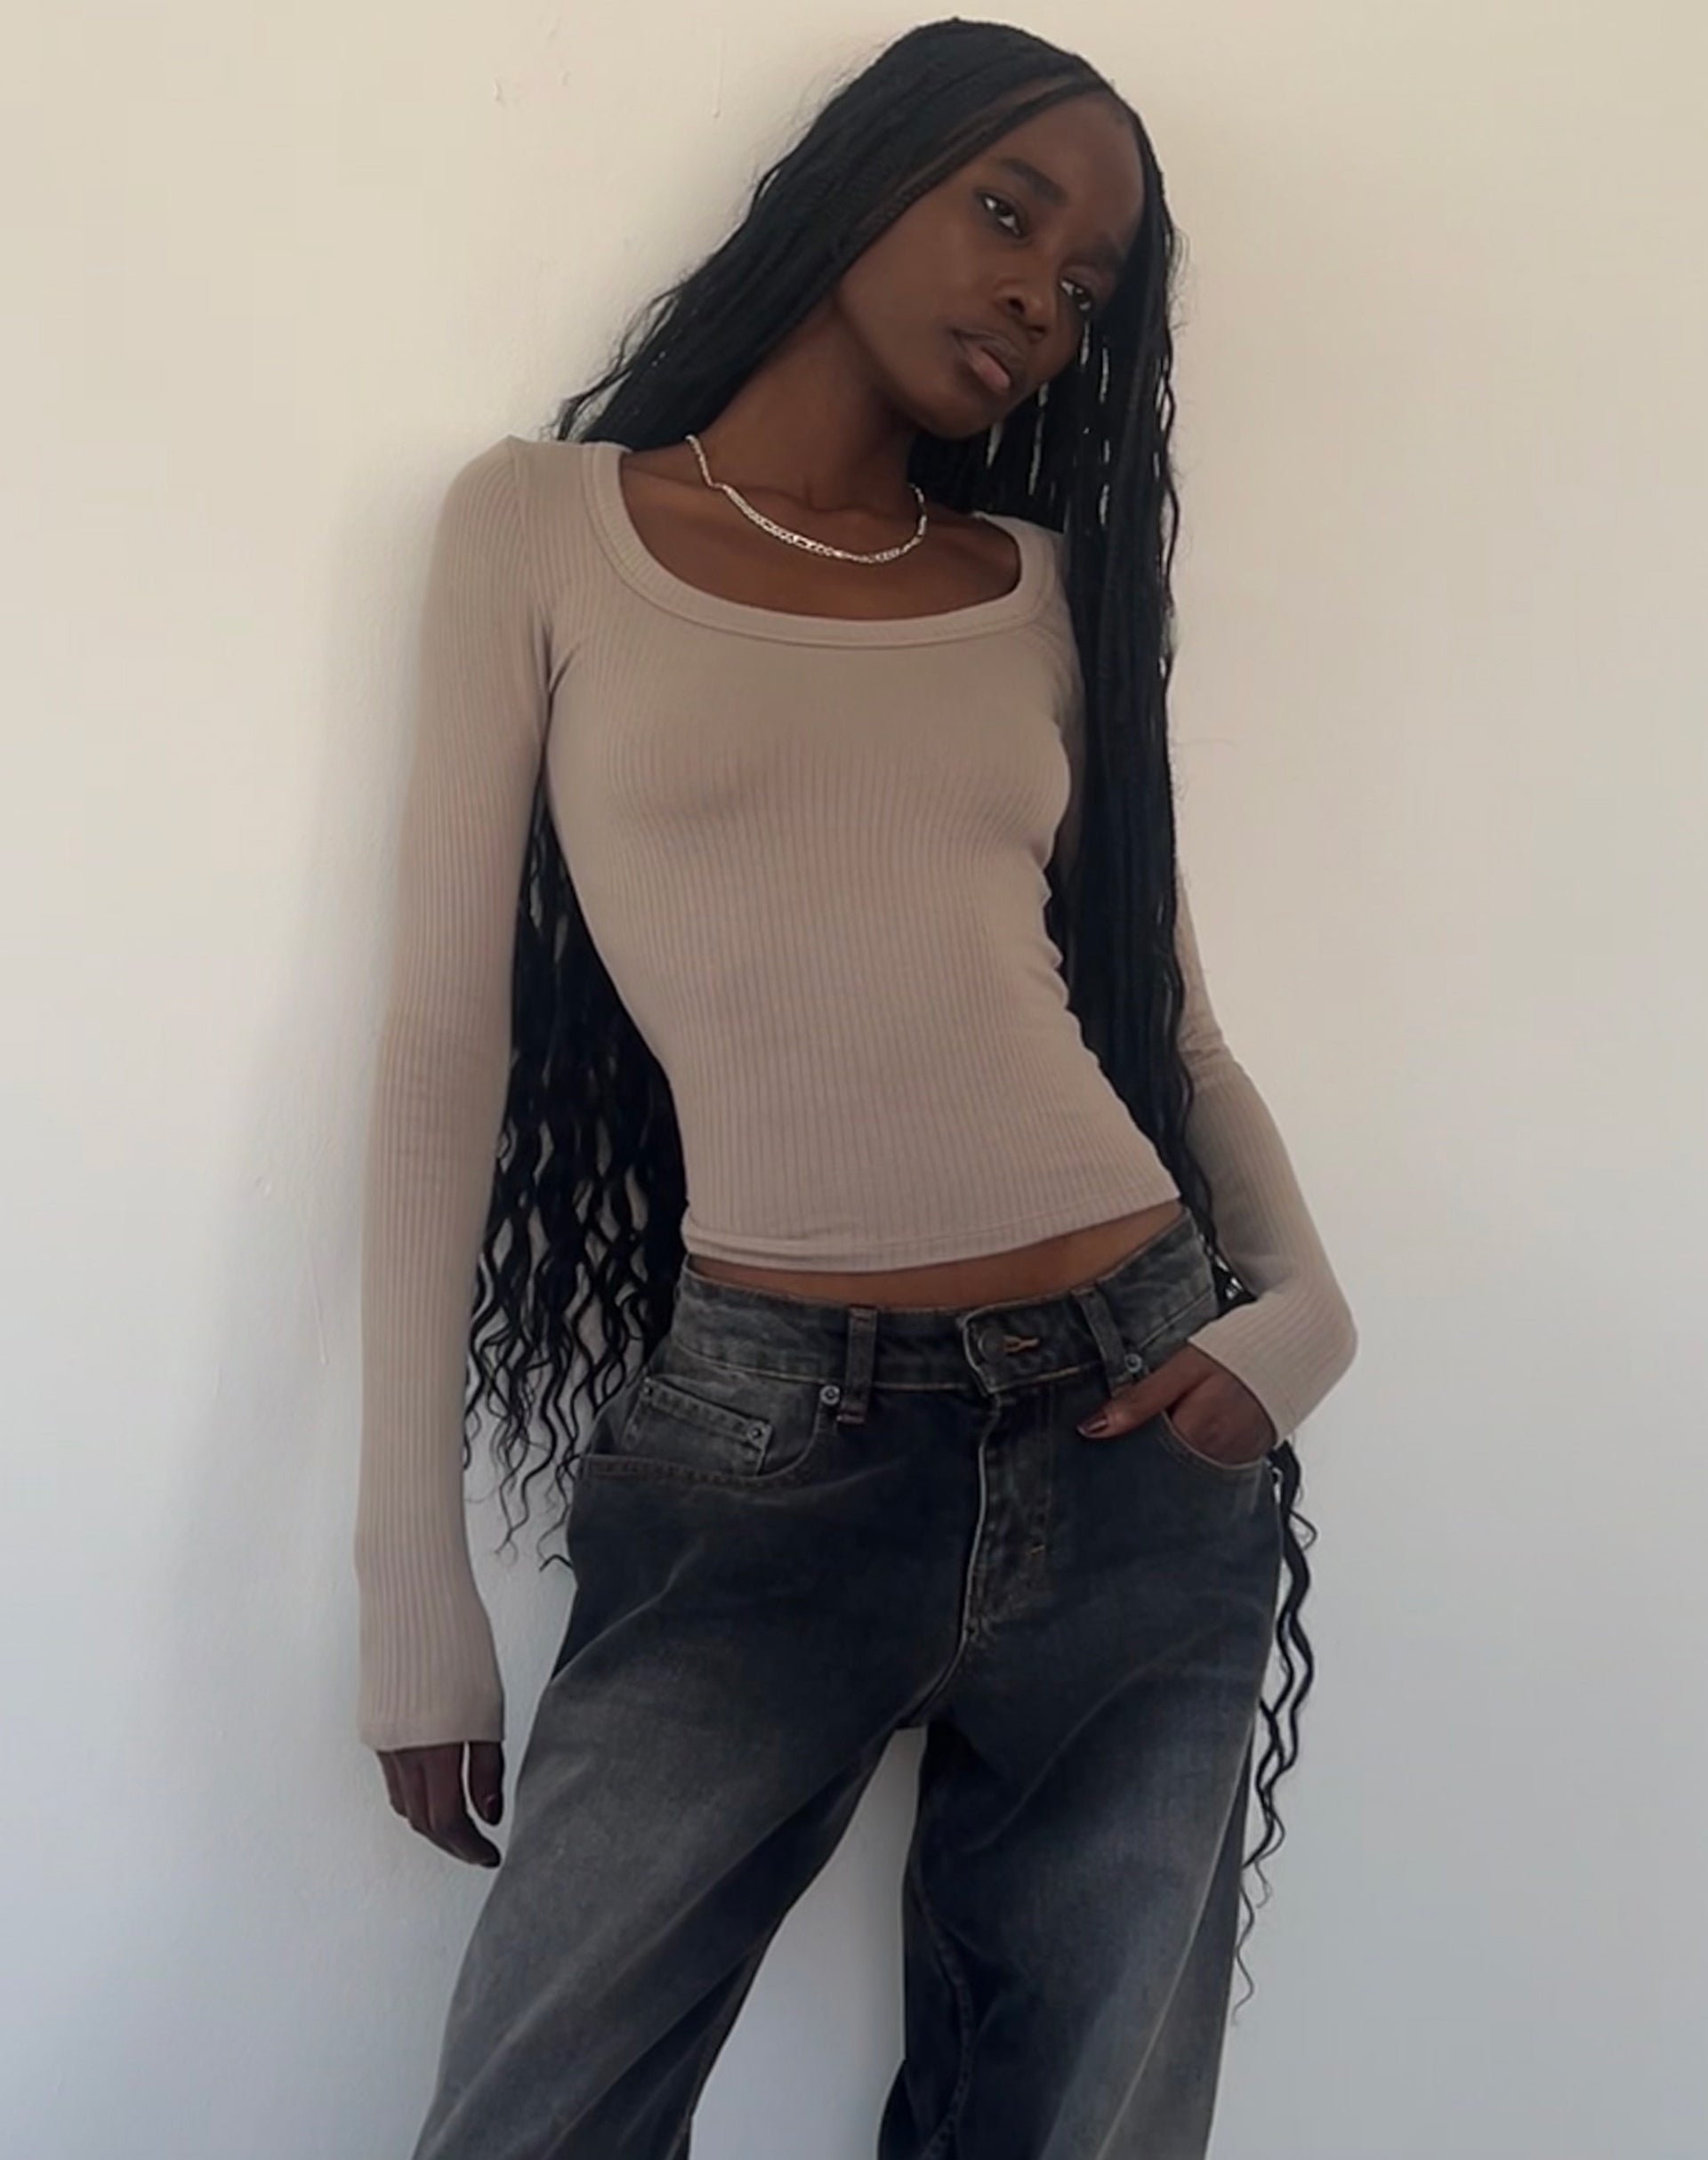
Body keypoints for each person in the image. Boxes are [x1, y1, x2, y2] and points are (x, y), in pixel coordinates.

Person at [354, 20, 1358, 2158]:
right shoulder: (540, 526)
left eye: (1085, 281)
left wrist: (1307, 1313)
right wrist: (410, 1590)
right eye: (1007, 210)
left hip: (1141, 1418)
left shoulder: (1042, 597)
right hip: (764, 1449)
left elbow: (1169, 1025)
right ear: (862, 178)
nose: (1038, 295)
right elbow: (447, 1045)